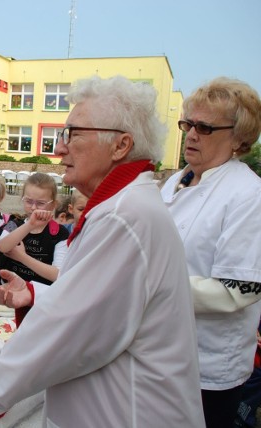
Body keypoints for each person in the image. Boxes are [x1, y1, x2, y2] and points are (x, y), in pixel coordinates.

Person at [0, 75, 205, 427]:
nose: (59, 148)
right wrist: (36, 294)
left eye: (72, 134)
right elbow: (97, 303)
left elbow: (73, 330)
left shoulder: (124, 217)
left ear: (120, 145)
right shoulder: (123, 207)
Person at [160, 77, 261, 428]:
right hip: (158, 352)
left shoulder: (248, 194)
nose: (191, 134)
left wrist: (150, 285)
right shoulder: (176, 181)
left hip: (207, 366)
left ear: (238, 138)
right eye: (188, 124)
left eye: (204, 127)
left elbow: (237, 291)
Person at [0, 173, 69, 285]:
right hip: (9, 289)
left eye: (41, 203)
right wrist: (30, 225)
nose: (34, 207)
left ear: (53, 204)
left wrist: (22, 257)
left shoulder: (60, 233)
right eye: (29, 201)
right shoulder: (14, 223)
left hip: (39, 295)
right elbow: (2, 247)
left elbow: (58, 275)